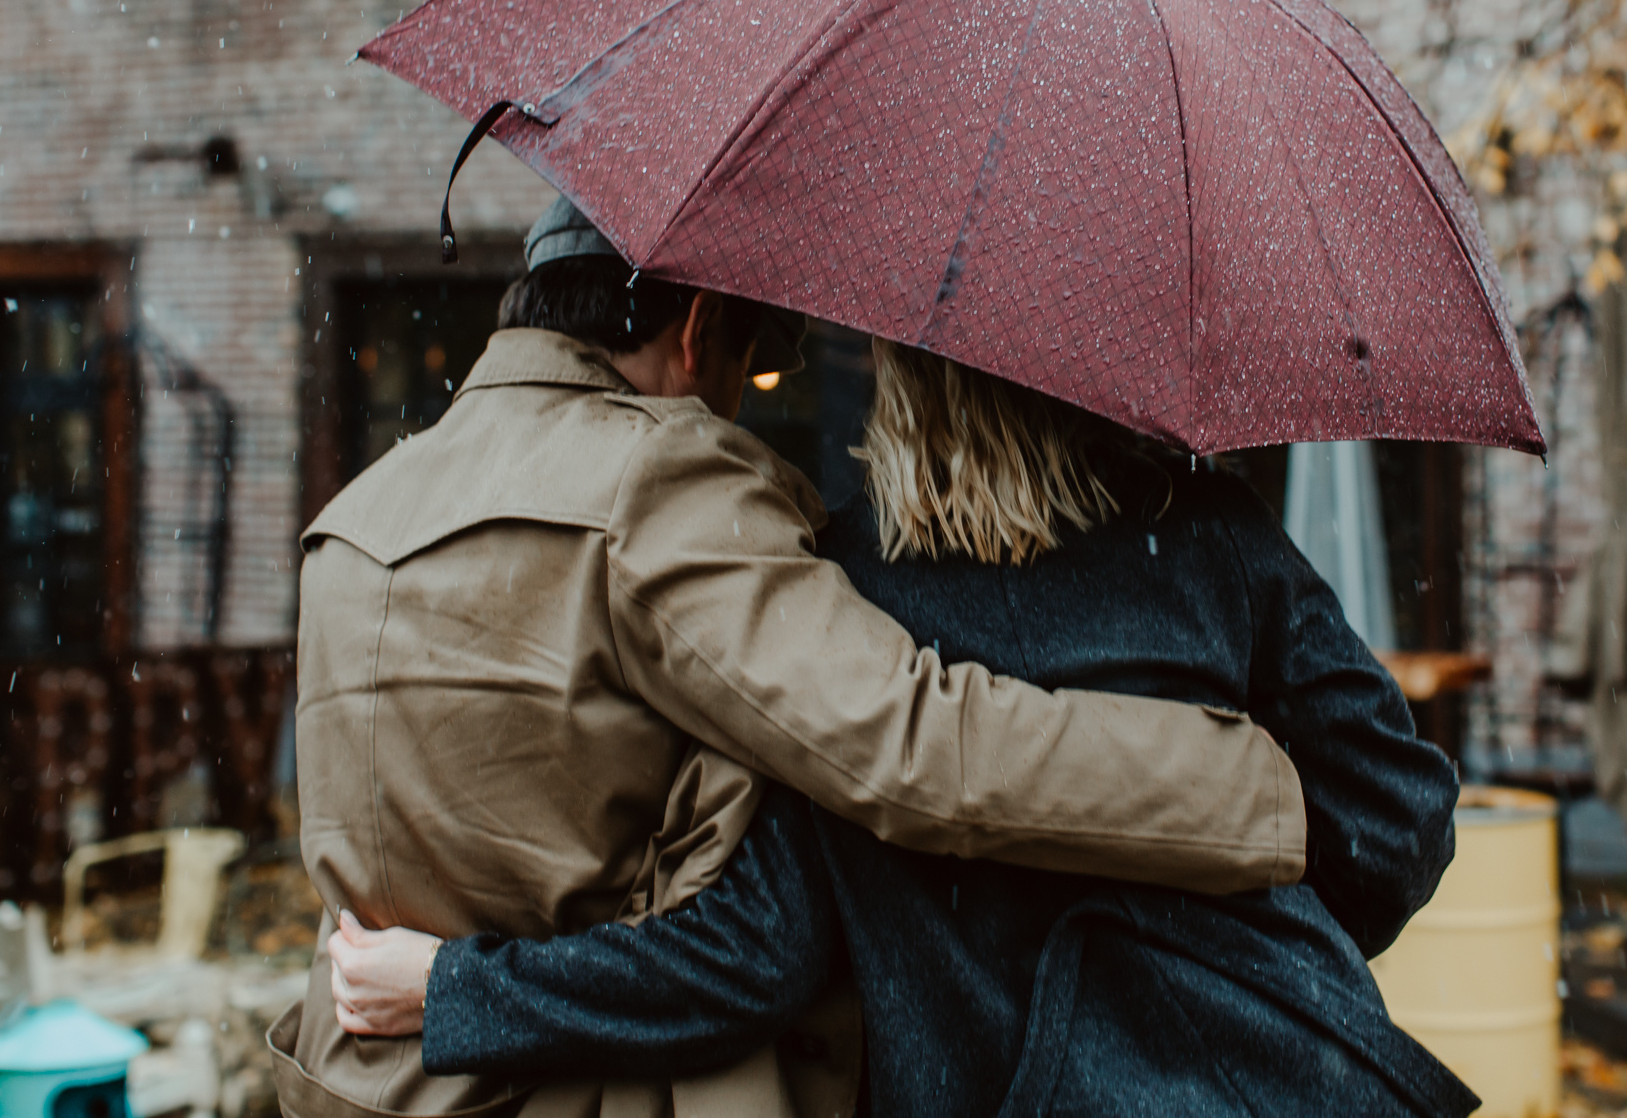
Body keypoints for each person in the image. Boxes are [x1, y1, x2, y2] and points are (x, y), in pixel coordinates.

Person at [268, 198, 1313, 1118]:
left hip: (373, 1084)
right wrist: (1246, 788)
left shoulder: (357, 519)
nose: (742, 396)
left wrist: (449, 987)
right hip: (600, 1089)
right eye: (755, 363)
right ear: (699, 328)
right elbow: (913, 750)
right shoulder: (658, 482)